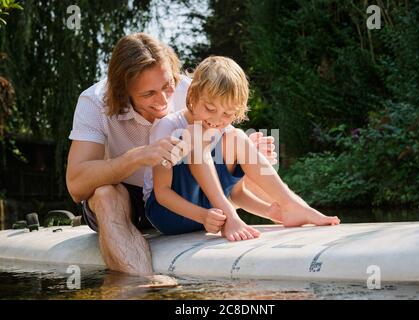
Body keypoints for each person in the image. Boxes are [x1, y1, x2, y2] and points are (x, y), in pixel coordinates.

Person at [65, 34, 275, 285]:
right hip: (125, 198)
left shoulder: (193, 91)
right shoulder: (94, 102)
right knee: (106, 193)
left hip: (176, 197)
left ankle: (282, 210)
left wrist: (245, 154)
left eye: (167, 87)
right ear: (123, 91)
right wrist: (138, 157)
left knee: (240, 154)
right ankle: (142, 284)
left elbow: (216, 162)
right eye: (148, 94)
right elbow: (76, 185)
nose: (163, 101)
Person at [143, 56, 340, 242]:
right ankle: (230, 215)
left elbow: (236, 193)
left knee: (238, 136)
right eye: (210, 109)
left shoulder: (225, 132)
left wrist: (268, 211)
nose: (217, 119)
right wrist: (204, 216)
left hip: (213, 212)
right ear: (192, 95)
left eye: (228, 114)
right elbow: (162, 193)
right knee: (195, 134)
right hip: (169, 213)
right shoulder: (167, 127)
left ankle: (291, 205)